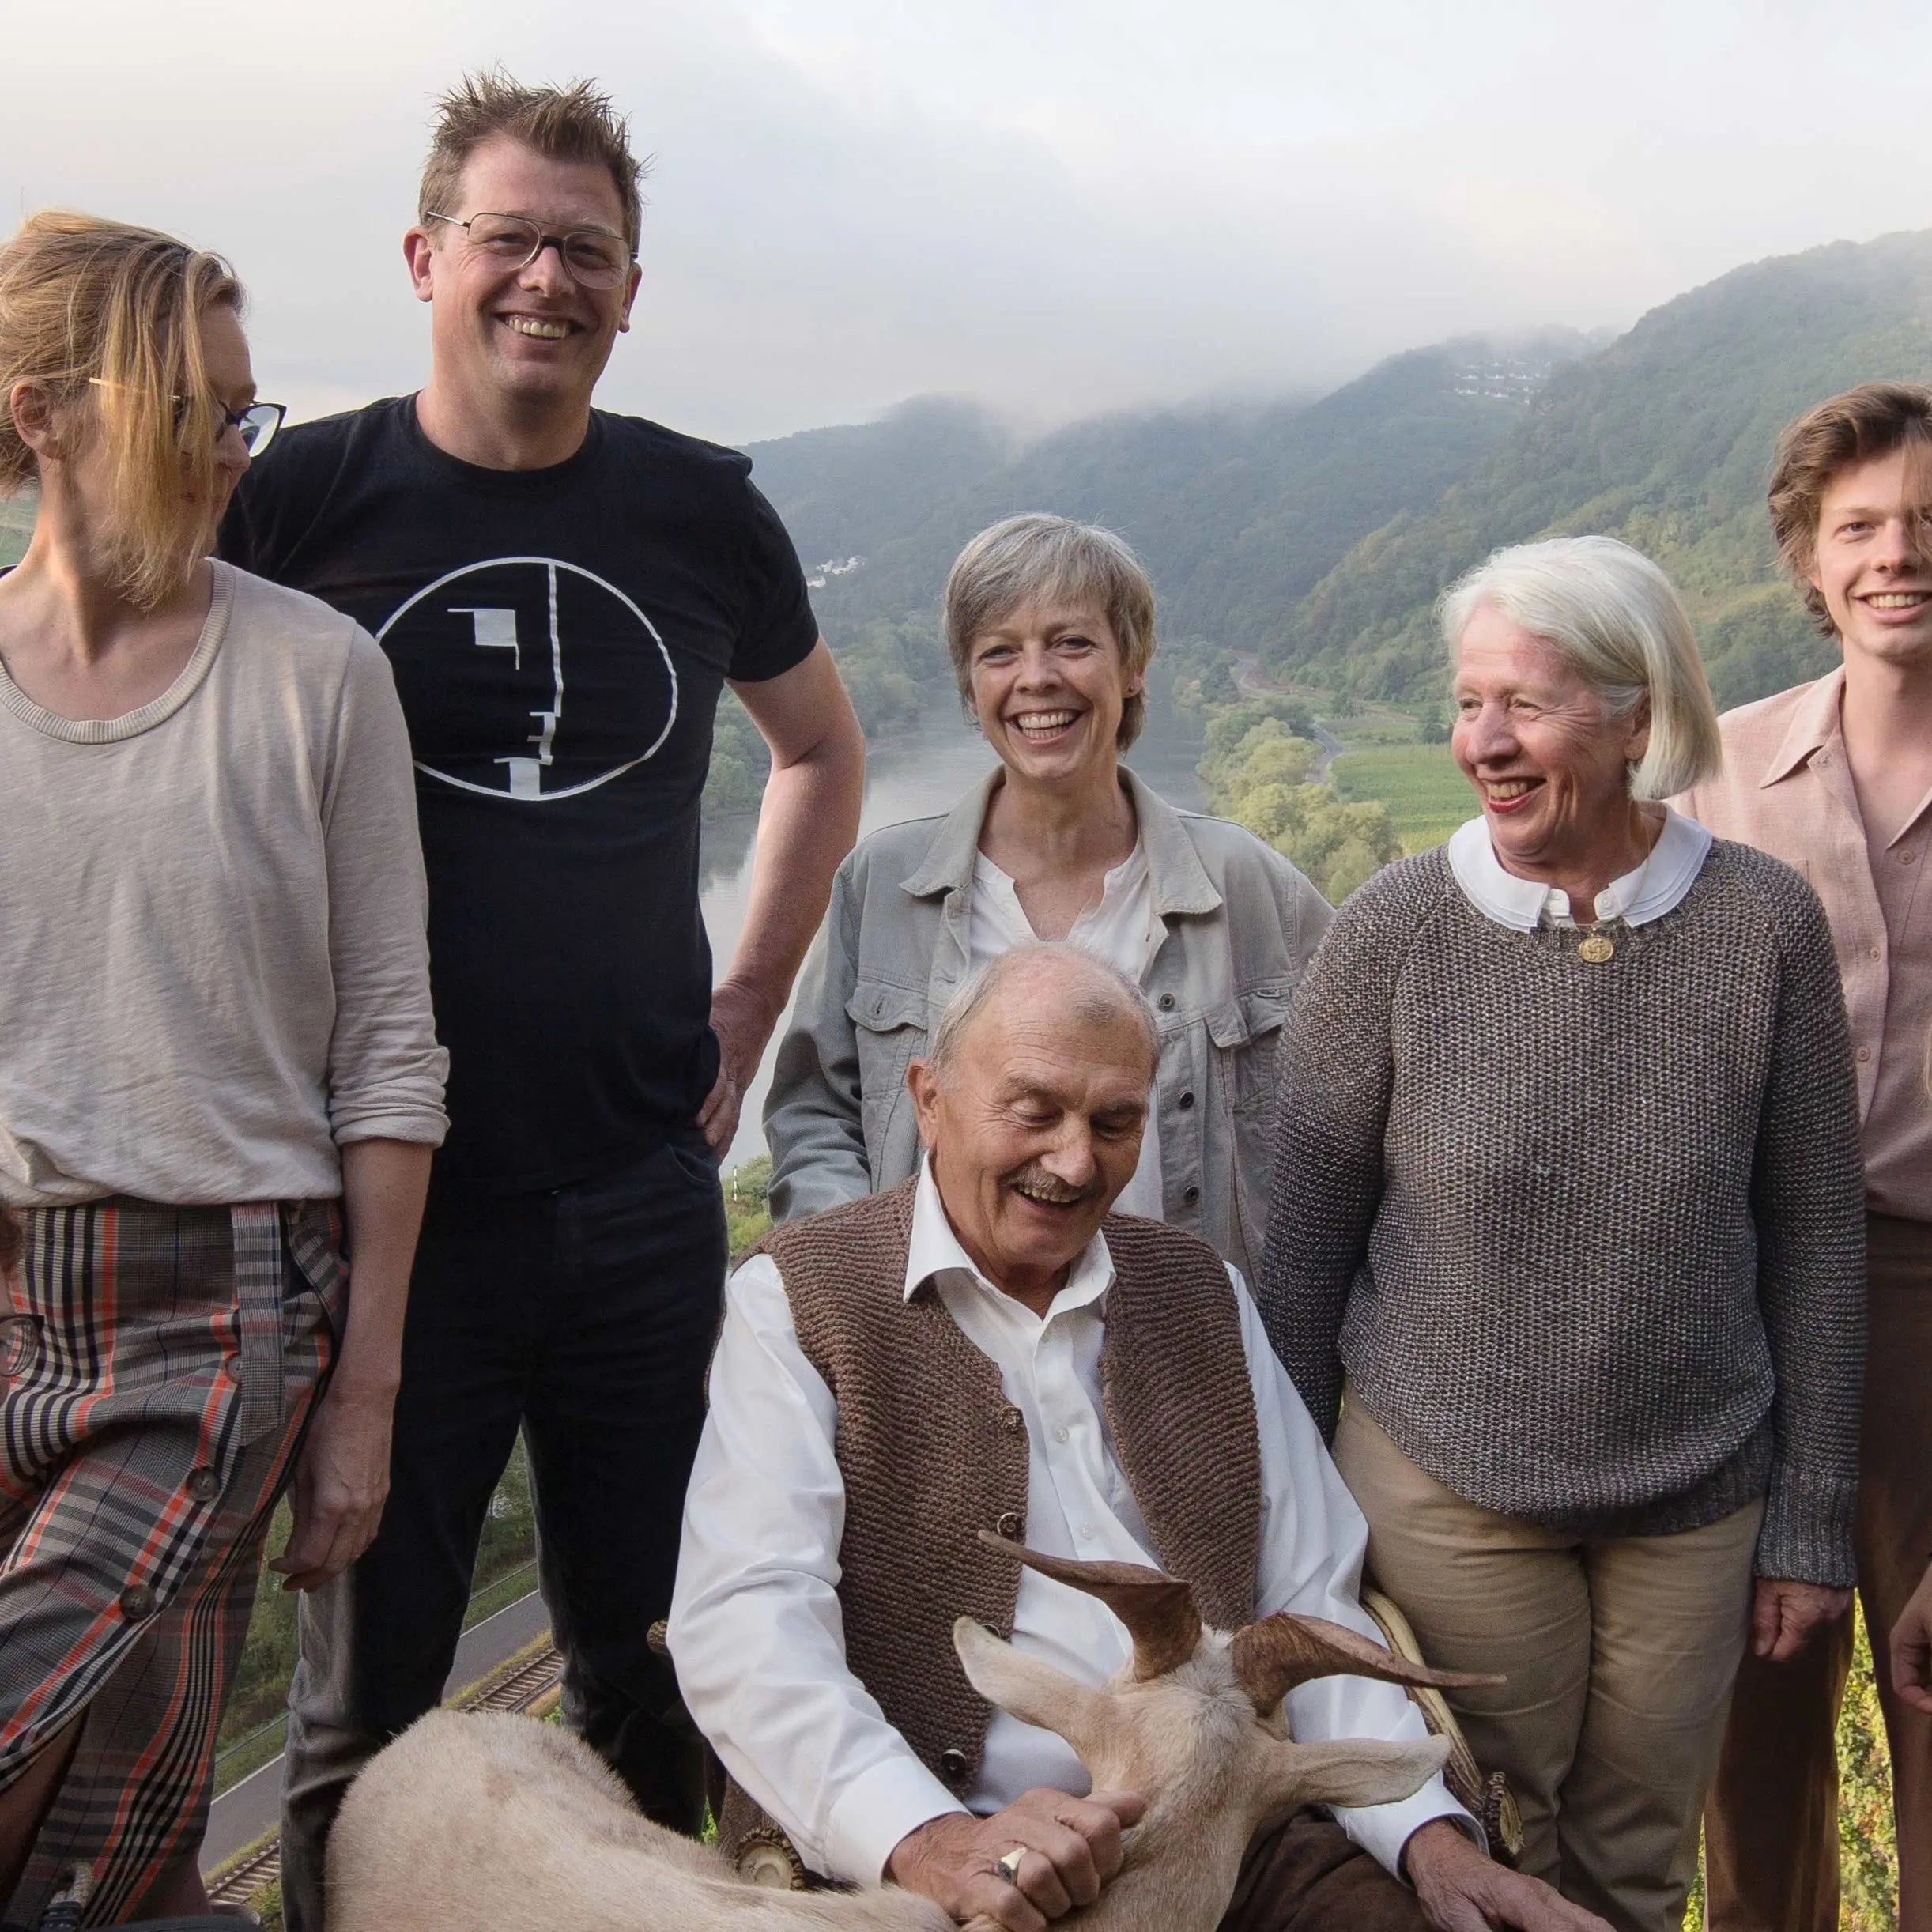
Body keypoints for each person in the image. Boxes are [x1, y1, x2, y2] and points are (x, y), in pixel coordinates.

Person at [217, 73, 865, 1930]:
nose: (545, 279)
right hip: (384, 1215)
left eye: (587, 250)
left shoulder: (699, 510)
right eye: (508, 238)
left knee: (660, 1673)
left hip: (639, 1205)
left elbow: (819, 752)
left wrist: (749, 1000)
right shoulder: (301, 497)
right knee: (368, 1710)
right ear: (427, 257)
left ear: (632, 289)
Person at [672, 943, 1600, 1932]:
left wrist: (1429, 1837)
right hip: (954, 1853)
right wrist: (930, 1839)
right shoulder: (799, 1300)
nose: (1074, 1161)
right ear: (929, 1097)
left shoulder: (1199, 1290)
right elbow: (746, 1618)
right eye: (1033, 1110)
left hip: (1237, 1826)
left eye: (1113, 1121)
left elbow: (1305, 1597)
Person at [1259, 534, 1867, 1932]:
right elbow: (1299, 1253)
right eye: (1468, 700)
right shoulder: (1393, 931)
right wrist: (1284, 1545)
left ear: (1633, 713)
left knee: (1637, 1859)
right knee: (1481, 1847)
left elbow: (1814, 1240)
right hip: (1446, 1483)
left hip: (1695, 1491)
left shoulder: (1761, 924)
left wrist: (1809, 1518)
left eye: (1522, 703)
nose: (1481, 737)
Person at [0, 213, 446, 1924]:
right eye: (196, 409)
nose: (233, 453)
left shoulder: (317, 676)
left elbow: (390, 1053)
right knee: (113, 1840)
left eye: (247, 413)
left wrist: (361, 1398)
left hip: (228, 1305)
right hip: (18, 1289)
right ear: (44, 413)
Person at [764, 514, 1330, 1274]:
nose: (1037, 678)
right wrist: (865, 1282)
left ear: (1133, 665)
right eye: (1000, 651)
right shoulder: (884, 884)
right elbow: (814, 1115)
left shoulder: (1248, 886)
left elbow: (1355, 1119)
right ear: (971, 685)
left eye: (1072, 642)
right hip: (939, 1350)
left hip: (1192, 1350)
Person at [1677, 382, 1932, 1932]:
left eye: (1926, 525)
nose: (1897, 554)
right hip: (1753, 1303)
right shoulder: (1716, 772)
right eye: (1860, 528)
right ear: (1808, 559)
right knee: (1753, 1740)